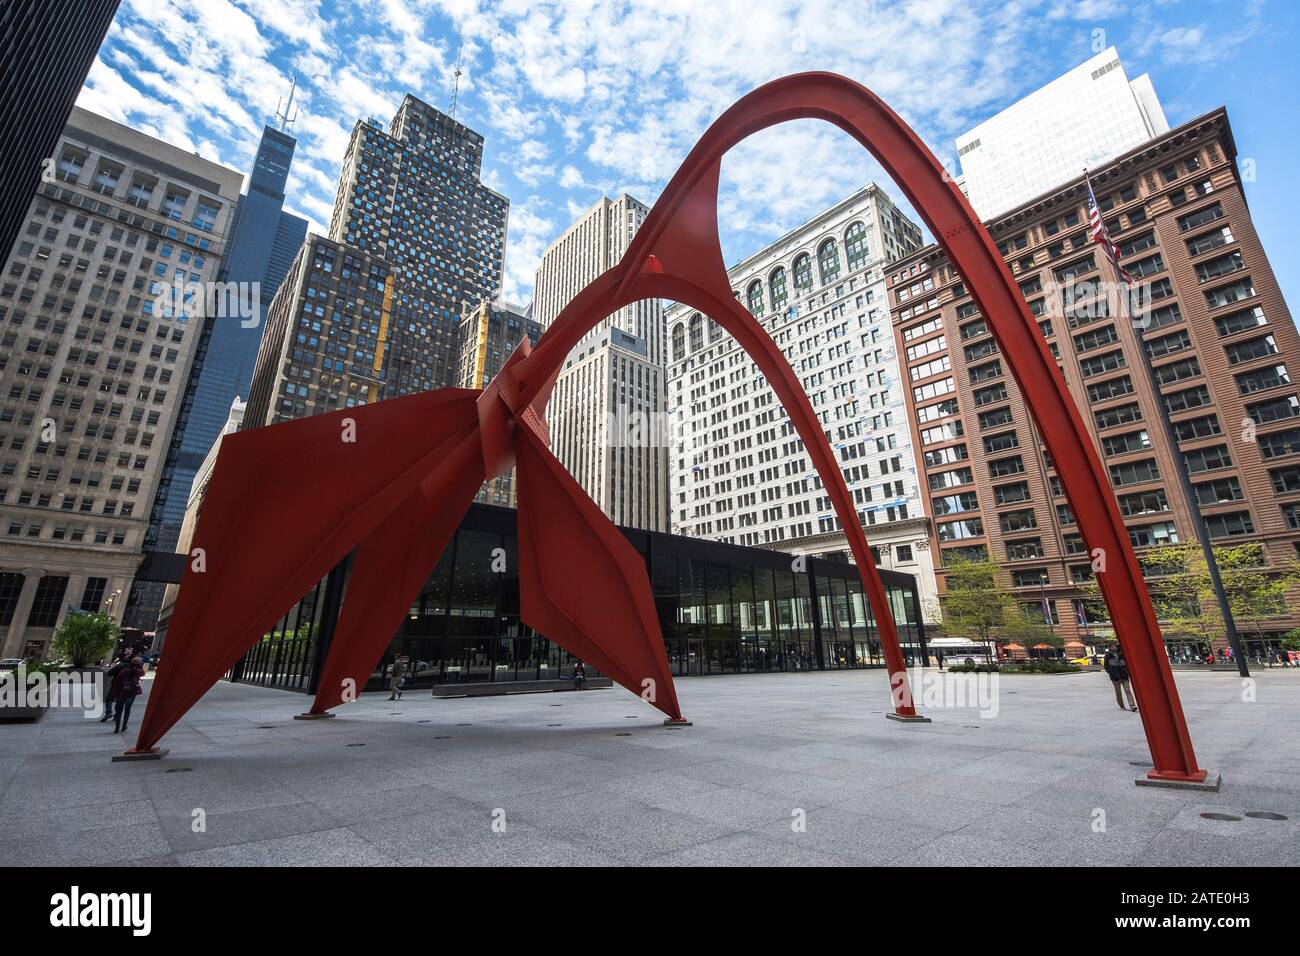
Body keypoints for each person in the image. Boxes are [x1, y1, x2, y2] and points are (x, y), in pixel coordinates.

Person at [111, 657, 144, 734]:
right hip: (131, 693)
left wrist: (115, 692)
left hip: (121, 693)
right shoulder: (138, 672)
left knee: (119, 711)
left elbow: (116, 683)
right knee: (127, 710)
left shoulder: (123, 672)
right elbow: (143, 673)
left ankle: (117, 727)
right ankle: (124, 726)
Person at [1102, 644, 1138, 713]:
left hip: (1124, 675)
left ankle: (1132, 705)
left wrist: (1127, 672)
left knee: (1128, 690)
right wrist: (1112, 673)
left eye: (1114, 646)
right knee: (1118, 692)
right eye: (1112, 646)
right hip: (1115, 677)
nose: (1113, 647)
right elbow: (1106, 667)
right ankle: (1122, 706)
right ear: (1109, 648)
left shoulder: (1122, 654)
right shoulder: (1108, 656)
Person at [100, 651, 132, 723]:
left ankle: (108, 713)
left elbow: (109, 673)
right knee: (120, 701)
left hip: (117, 685)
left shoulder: (121, 666)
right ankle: (117, 715)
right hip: (129, 687)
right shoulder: (134, 668)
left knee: (109, 699)